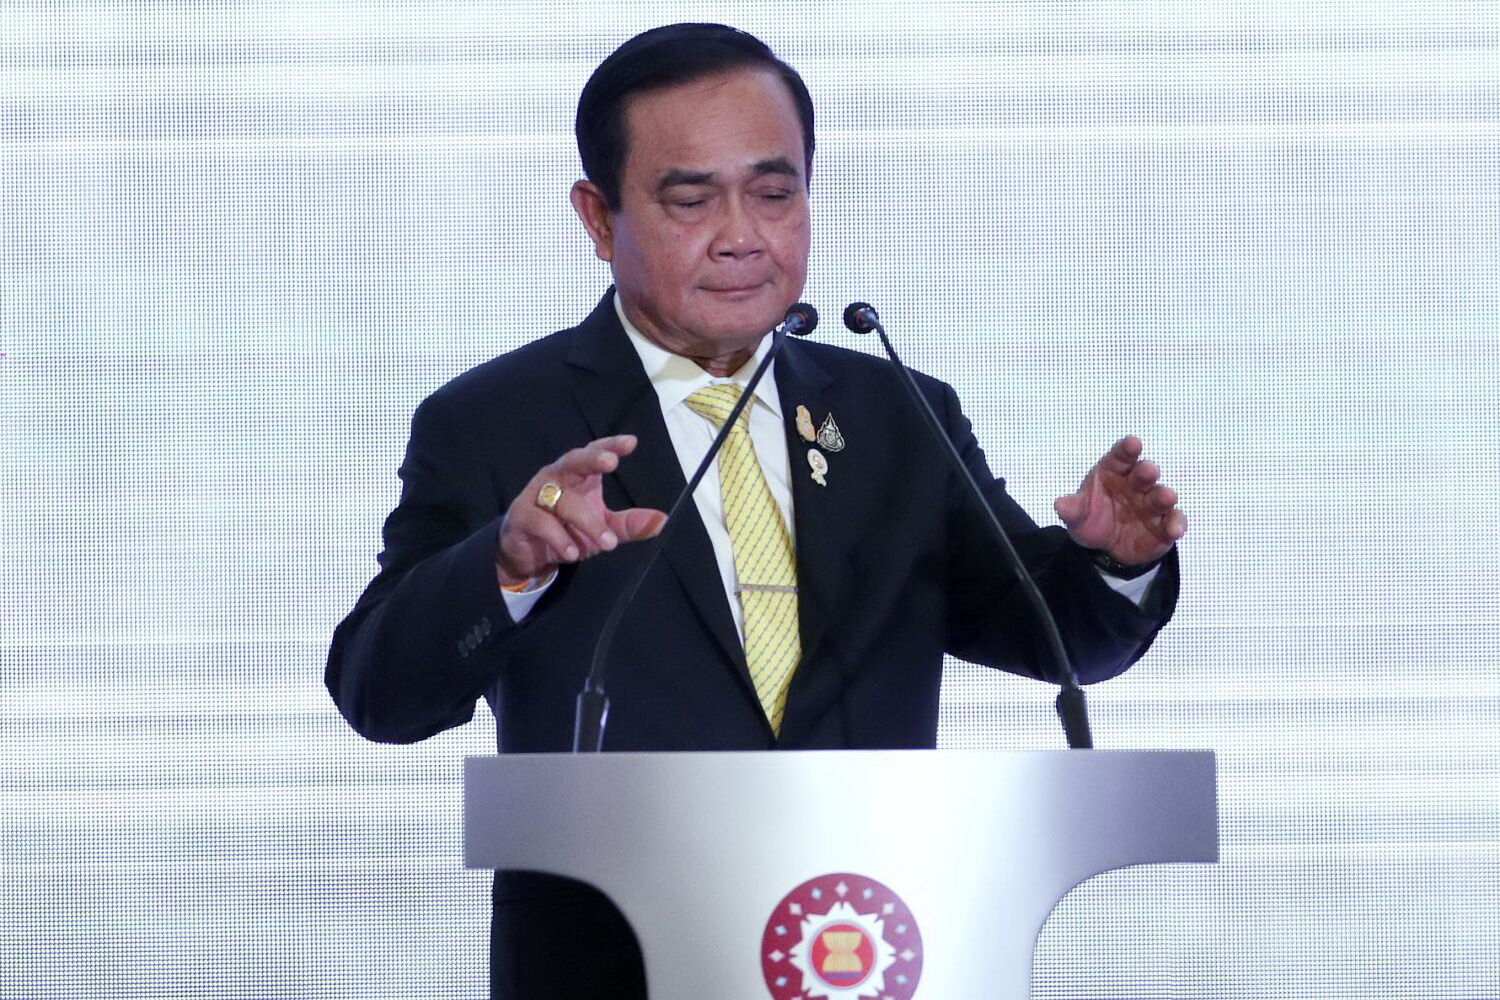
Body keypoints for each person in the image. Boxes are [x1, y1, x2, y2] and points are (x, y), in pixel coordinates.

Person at [326, 22, 1186, 999]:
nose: (742, 235)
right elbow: (378, 693)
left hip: (868, 951)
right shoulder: (495, 422)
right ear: (599, 218)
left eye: (775, 194)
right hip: (609, 971)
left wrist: (1115, 564)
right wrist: (507, 566)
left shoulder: (898, 413)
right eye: (692, 200)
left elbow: (1049, 633)